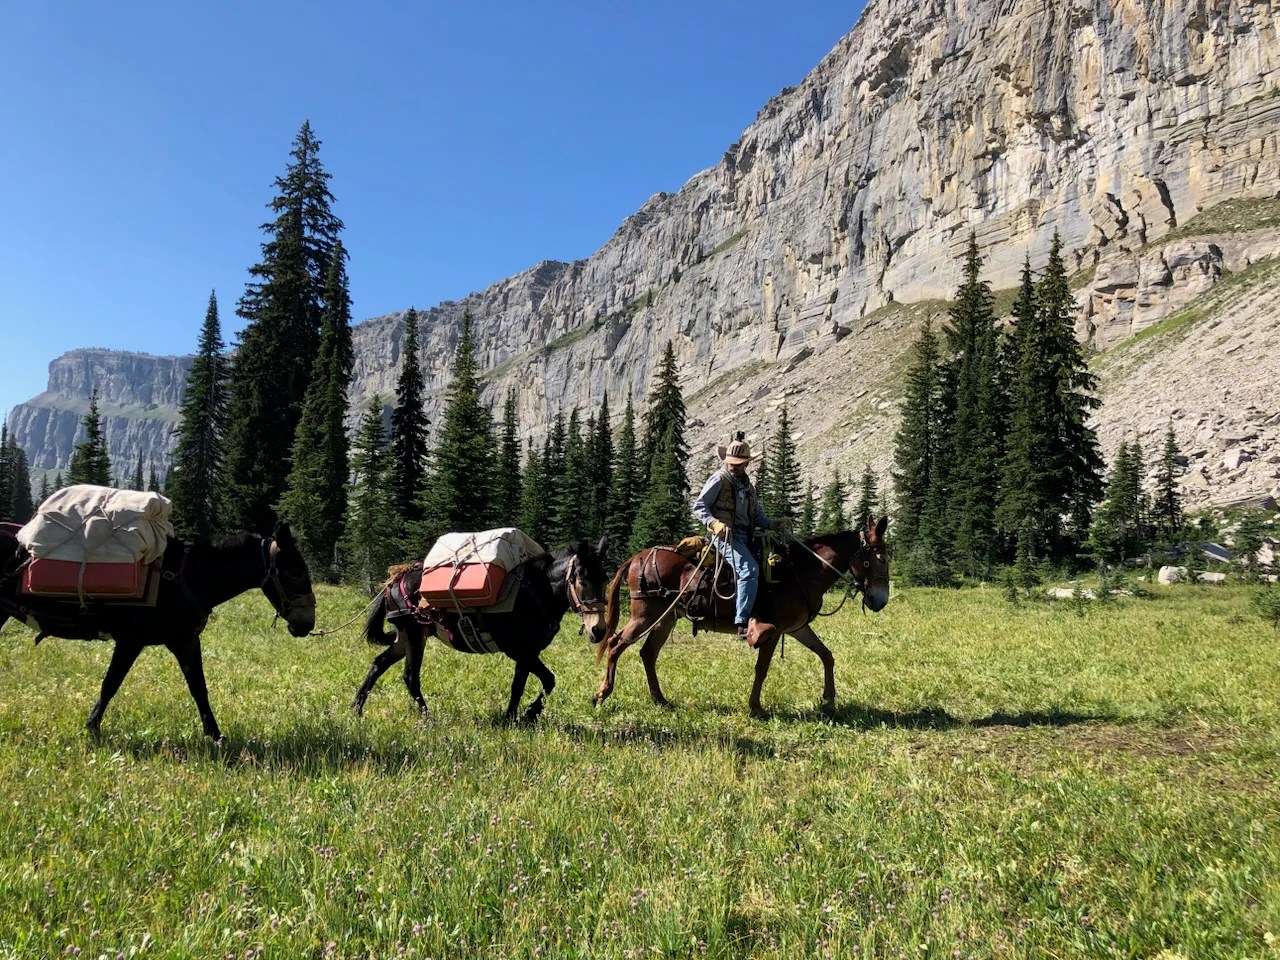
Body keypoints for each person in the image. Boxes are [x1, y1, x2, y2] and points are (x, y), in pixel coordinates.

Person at [691, 433, 786, 646]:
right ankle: (742, 623)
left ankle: (760, 615)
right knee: (748, 569)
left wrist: (773, 524)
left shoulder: (748, 486)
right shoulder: (719, 479)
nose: (737, 466)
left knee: (772, 566)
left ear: (746, 463)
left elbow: (758, 516)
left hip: (747, 536)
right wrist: (714, 523)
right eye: (733, 463)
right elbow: (699, 506)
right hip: (724, 537)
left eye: (741, 463)